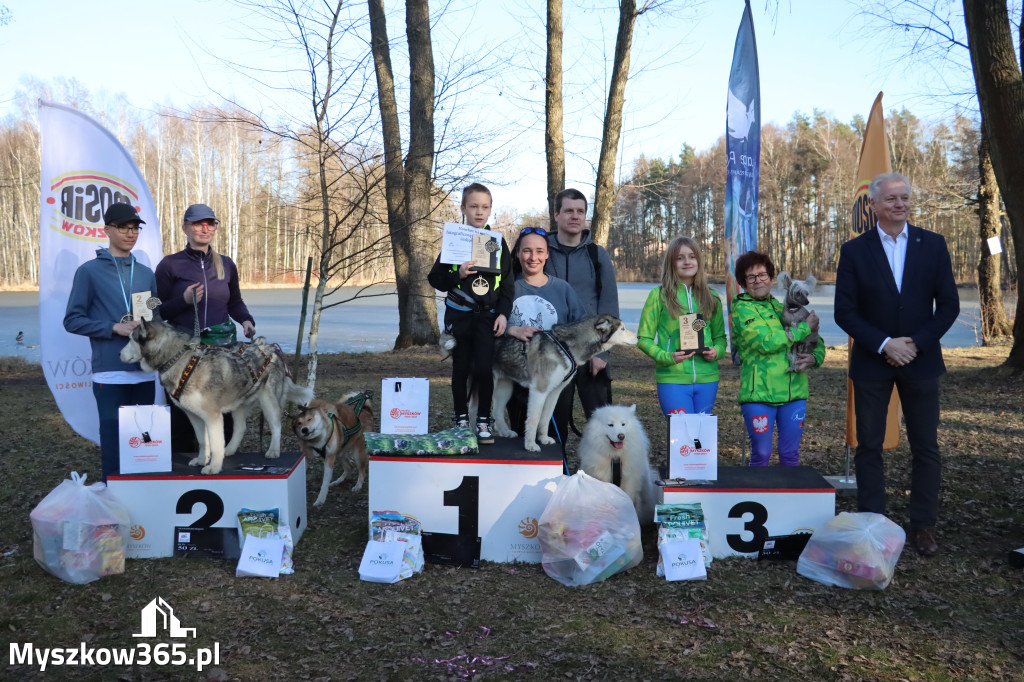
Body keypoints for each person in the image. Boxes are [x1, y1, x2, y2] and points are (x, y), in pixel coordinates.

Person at [834, 172, 959, 556]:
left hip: (921, 362)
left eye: (905, 197)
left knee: (926, 447)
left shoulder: (933, 245)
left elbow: (949, 306)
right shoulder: (854, 251)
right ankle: (873, 525)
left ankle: (923, 526)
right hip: (872, 362)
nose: (900, 204)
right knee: (869, 446)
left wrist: (915, 344)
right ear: (873, 205)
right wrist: (885, 344)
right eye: (891, 198)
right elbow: (844, 312)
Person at [64, 203, 158, 482]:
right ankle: (111, 499)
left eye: (135, 228)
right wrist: (113, 327)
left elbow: (154, 316)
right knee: (114, 444)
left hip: (143, 372)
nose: (130, 234)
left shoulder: (146, 273)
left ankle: (143, 499)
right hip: (110, 372)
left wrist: (153, 329)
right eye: (123, 228)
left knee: (145, 444)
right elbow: (72, 320)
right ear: (107, 230)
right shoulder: (89, 272)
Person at [156, 204, 255, 451]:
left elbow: (235, 302)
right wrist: (183, 301)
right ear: (185, 228)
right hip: (183, 354)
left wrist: (246, 320)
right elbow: (157, 311)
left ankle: (224, 459)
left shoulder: (227, 264)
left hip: (221, 351)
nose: (204, 228)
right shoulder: (169, 265)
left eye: (210, 223)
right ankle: (183, 459)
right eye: (198, 224)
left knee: (223, 407)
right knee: (184, 410)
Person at [428, 183, 513, 443]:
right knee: (461, 369)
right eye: (473, 206)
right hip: (459, 317)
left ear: (490, 210)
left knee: (484, 369)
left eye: (484, 207)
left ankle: (484, 421)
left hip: (487, 318)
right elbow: (435, 279)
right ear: (463, 208)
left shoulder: (497, 243)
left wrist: (503, 314)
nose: (479, 212)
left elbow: (508, 285)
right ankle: (461, 420)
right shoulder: (454, 241)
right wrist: (458, 274)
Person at [731, 251, 825, 467]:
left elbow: (817, 341)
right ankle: (756, 490)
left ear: (771, 278)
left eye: (762, 275)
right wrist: (804, 328)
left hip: (794, 394)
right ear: (743, 283)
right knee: (761, 454)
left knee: (790, 454)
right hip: (759, 395)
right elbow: (766, 342)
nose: (758, 281)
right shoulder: (742, 309)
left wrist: (814, 358)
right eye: (751, 277)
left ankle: (789, 491)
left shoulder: (783, 305)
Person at [545, 188, 619, 443]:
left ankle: (606, 470)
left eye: (580, 211)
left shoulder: (596, 255)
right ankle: (556, 468)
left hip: (591, 351)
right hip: (552, 352)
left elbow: (609, 306)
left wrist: (603, 353)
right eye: (568, 211)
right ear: (556, 214)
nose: (575, 216)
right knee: (552, 427)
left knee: (604, 427)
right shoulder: (542, 251)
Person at [503, 227, 587, 441]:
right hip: (518, 376)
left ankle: (558, 462)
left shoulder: (562, 289)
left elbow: (582, 328)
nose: (533, 257)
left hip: (556, 377)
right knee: (522, 437)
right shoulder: (507, 288)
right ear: (518, 253)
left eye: (539, 251)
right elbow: (490, 324)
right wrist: (513, 329)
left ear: (547, 254)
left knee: (555, 438)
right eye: (527, 251)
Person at [638, 236, 727, 416]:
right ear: (671, 263)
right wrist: (667, 357)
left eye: (692, 256)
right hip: (673, 379)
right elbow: (643, 339)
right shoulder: (658, 296)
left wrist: (716, 352)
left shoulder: (712, 297)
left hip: (707, 379)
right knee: (682, 433)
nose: (687, 262)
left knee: (701, 432)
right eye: (680, 258)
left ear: (699, 261)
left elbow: (720, 338)